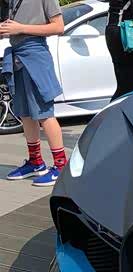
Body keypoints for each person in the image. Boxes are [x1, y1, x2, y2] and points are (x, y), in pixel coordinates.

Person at [0, 0, 67, 186]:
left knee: (44, 113)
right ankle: (35, 162)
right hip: (17, 56)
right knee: (25, 113)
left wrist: (20, 28)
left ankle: (61, 165)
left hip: (36, 55)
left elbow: (59, 26)